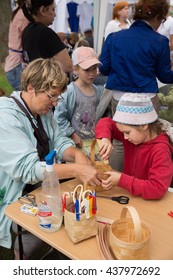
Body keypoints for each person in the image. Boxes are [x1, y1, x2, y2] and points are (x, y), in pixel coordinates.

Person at [0, 58, 102, 259]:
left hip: (40, 190)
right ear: (31, 88)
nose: (55, 103)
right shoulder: (6, 117)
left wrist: (76, 155)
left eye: (57, 97)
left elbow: (59, 141)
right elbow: (27, 169)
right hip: (14, 199)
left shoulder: (41, 111)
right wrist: (76, 170)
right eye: (52, 96)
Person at [98, 0, 173, 172]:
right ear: (157, 18)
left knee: (120, 142)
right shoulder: (159, 41)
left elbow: (104, 68)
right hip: (146, 99)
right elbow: (164, 75)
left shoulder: (114, 37)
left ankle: (115, 179)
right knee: (147, 141)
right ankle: (141, 181)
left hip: (119, 97)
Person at [95, 93, 173, 200]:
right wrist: (105, 138)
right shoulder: (134, 135)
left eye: (127, 132)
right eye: (122, 133)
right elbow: (105, 122)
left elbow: (157, 189)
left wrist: (122, 180)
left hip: (150, 204)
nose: (125, 137)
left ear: (144, 125)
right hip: (131, 196)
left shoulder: (161, 150)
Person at [54, 46, 103, 157]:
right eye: (86, 70)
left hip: (94, 143)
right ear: (76, 69)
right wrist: (71, 134)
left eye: (94, 68)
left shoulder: (99, 91)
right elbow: (59, 117)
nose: (91, 73)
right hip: (75, 143)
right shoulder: (69, 92)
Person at [22, 0, 72, 73]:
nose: (55, 14)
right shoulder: (46, 33)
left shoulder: (27, 30)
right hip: (47, 82)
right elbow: (67, 66)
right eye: (53, 9)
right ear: (43, 10)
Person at [4, 0, 30, 90]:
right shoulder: (24, 15)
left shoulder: (20, 11)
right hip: (17, 66)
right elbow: (29, 38)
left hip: (14, 65)